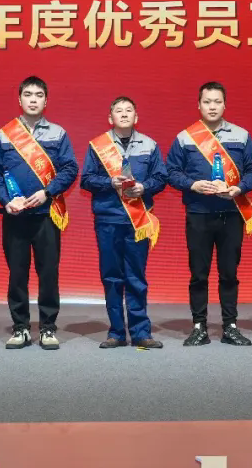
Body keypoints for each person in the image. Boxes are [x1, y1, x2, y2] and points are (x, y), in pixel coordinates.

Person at [166, 81, 252, 347]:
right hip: (198, 214)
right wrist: (192, 185)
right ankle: (199, 326)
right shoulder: (185, 137)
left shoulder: (241, 136)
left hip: (231, 215)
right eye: (207, 102)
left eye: (217, 102)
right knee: (199, 274)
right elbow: (171, 171)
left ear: (224, 105)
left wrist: (239, 188)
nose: (212, 107)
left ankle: (230, 326)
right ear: (198, 105)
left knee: (229, 273)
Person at [0, 76, 78, 350]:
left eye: (38, 95)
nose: (33, 99)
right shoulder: (5, 134)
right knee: (17, 274)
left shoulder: (58, 133)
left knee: (48, 273)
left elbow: (70, 168)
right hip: (15, 216)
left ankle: (48, 328)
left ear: (46, 101)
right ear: (20, 99)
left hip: (47, 214)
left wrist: (48, 192)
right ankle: (21, 327)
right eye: (28, 94)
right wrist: (5, 200)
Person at [80, 96, 168, 349]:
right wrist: (110, 182)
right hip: (108, 219)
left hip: (138, 221)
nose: (124, 114)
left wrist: (144, 187)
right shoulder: (98, 145)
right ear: (110, 118)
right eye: (119, 111)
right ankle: (116, 332)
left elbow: (161, 178)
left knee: (136, 277)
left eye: (129, 110)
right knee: (111, 277)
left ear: (136, 117)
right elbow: (86, 180)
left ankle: (141, 332)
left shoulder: (149, 145)